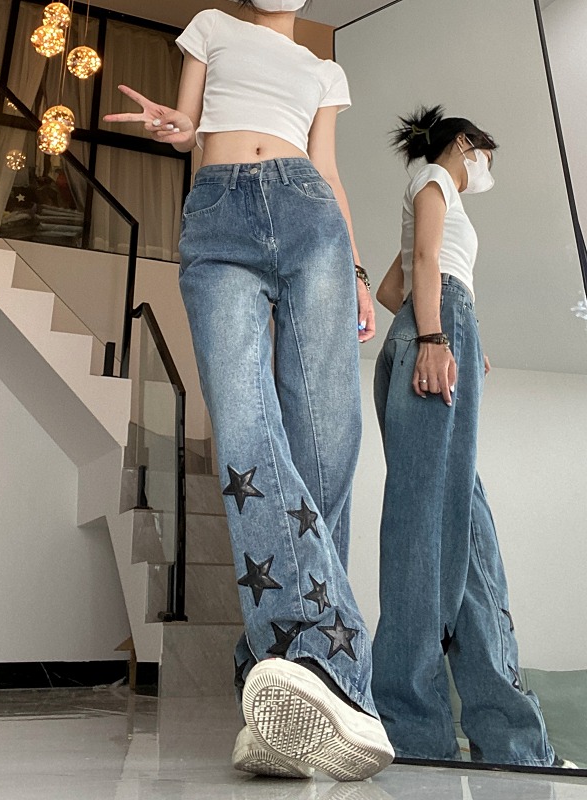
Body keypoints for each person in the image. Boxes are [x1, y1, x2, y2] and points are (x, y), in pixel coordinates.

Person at [103, 0, 393, 782]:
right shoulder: (211, 27)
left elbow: (328, 170)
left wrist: (358, 270)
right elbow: (189, 125)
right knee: (243, 429)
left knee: (328, 444)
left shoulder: (324, 69)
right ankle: (328, 666)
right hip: (218, 214)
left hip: (311, 217)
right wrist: (177, 128)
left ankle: (277, 672)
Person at [371, 105, 559, 766]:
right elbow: (426, 259)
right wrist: (436, 333)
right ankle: (412, 731)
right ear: (464, 144)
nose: (486, 170)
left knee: (465, 529)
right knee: (425, 529)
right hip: (437, 325)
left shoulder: (434, 191)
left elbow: (393, 285)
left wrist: (452, 333)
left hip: (439, 323)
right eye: (486, 155)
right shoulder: (434, 179)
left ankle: (511, 743)